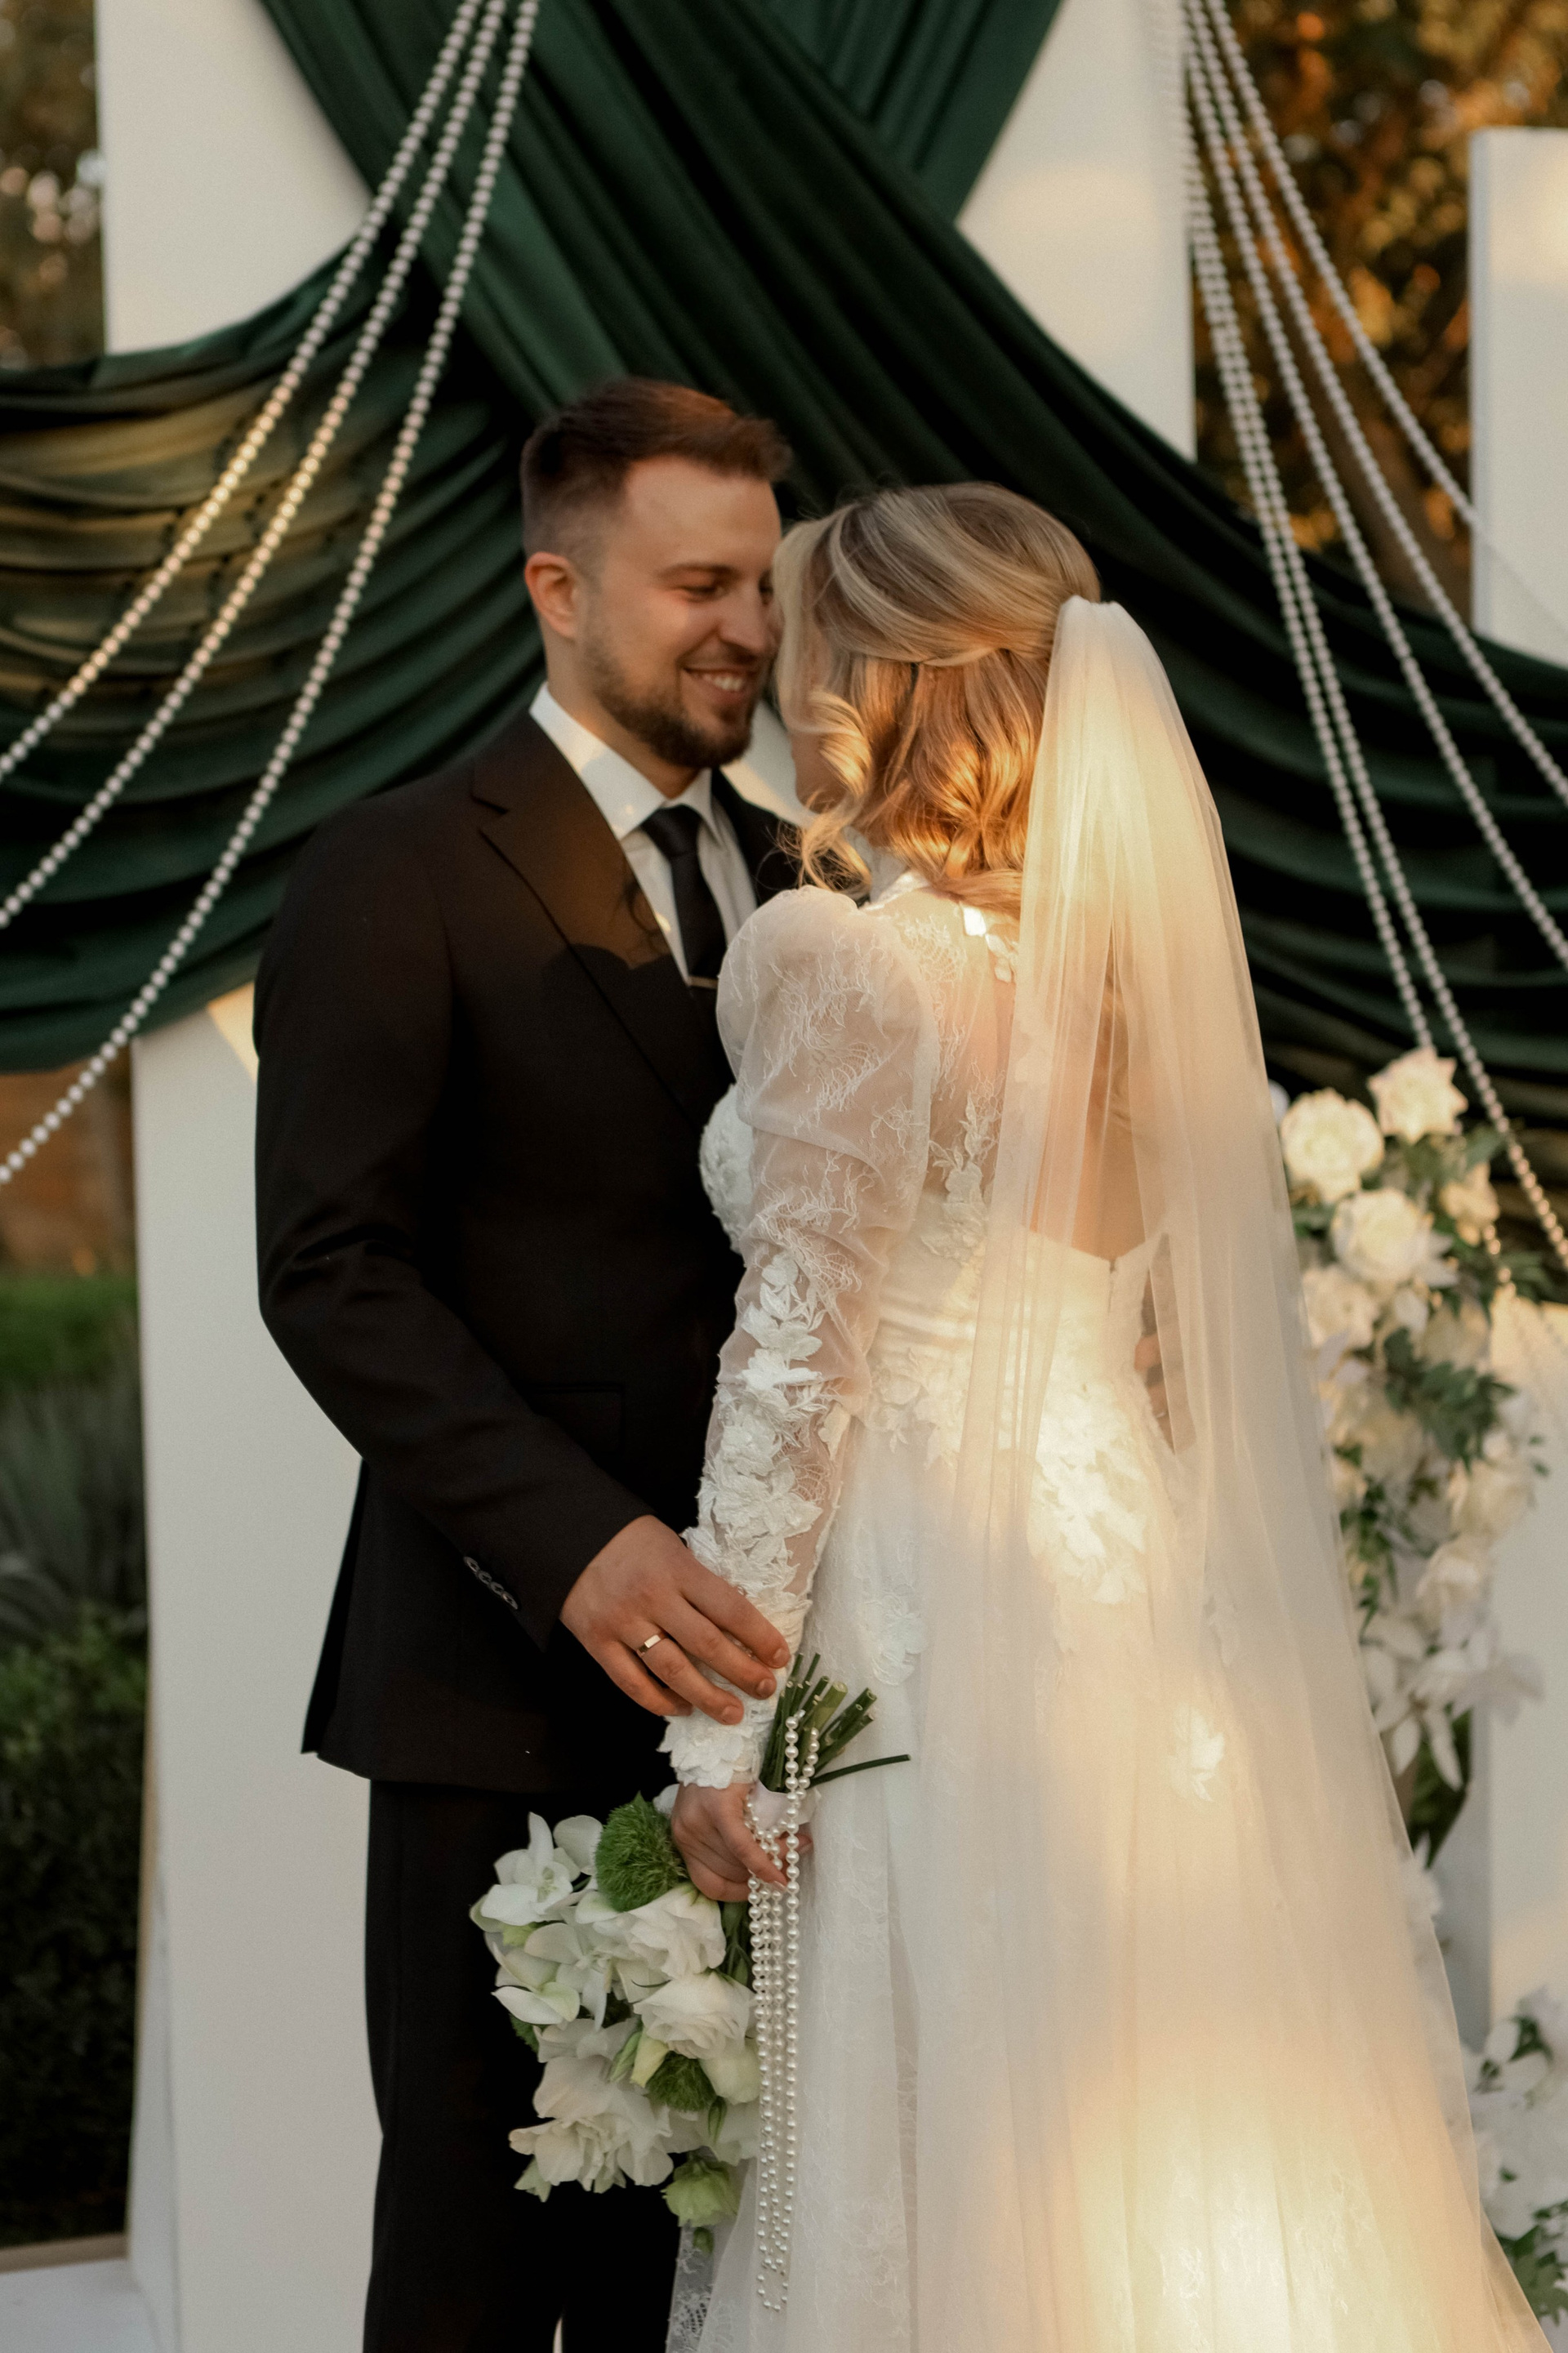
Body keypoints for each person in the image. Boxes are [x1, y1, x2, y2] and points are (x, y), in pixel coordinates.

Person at [666, 484, 1545, 2351]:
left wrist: (716, 1719)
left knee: (958, 2106)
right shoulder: (1137, 999)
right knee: (1153, 2085)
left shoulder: (847, 961)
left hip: (924, 1583)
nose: (783, 682)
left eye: (812, 646)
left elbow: (798, 1351)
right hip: (1125, 1590)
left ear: (878, 689)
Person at [253, 378, 802, 2353]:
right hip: (493, 1692)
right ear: (557, 589)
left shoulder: (811, 879)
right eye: (695, 585)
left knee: (715, 2278)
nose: (745, 627)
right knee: (476, 2282)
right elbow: (332, 1272)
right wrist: (578, 1542)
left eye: (760, 582)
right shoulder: (393, 869)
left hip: (776, 1715)